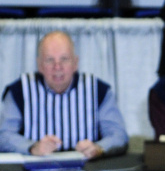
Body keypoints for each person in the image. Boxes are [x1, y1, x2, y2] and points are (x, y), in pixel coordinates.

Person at [0, 30, 128, 158]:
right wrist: (32, 147)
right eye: (50, 60)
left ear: (75, 63)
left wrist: (98, 148)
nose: (57, 67)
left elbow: (118, 135)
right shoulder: (19, 91)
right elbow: (4, 135)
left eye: (64, 59)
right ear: (39, 65)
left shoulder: (98, 90)